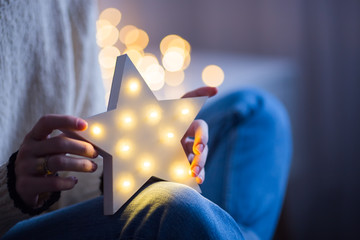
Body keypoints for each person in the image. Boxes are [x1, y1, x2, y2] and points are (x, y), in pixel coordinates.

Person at [0, 0, 292, 239]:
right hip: (11, 220)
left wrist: (150, 148)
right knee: (177, 207)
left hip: (74, 191)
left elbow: (89, 139)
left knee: (257, 112)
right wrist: (11, 189)